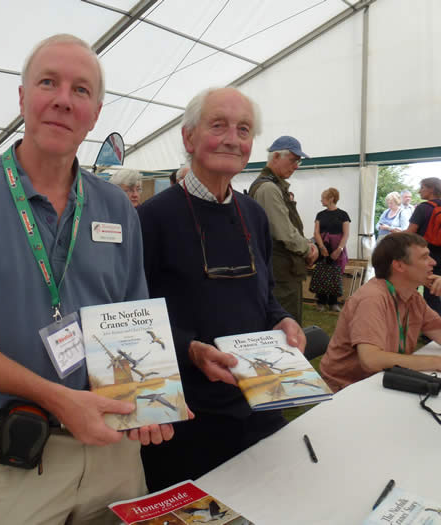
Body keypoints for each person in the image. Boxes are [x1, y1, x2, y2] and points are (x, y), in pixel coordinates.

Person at [0, 34, 174, 525]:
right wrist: (57, 399)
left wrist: (152, 401)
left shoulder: (115, 206)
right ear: (23, 96)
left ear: (95, 113)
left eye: (81, 90)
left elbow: (131, 318)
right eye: (49, 82)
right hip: (19, 456)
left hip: (114, 451)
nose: (63, 99)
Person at [137, 86, 306, 492]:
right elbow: (133, 314)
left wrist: (281, 317)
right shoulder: (151, 219)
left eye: (244, 129)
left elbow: (263, 295)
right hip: (187, 417)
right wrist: (189, 348)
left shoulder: (254, 214)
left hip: (259, 400)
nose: (232, 138)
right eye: (219, 126)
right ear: (188, 137)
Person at [319, 232, 441, 392]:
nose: (433, 262)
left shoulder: (413, 298)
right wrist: (437, 362)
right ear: (399, 266)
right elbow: (371, 359)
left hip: (382, 381)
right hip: (346, 389)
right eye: (424, 257)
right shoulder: (372, 298)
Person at [248, 135, 318, 325]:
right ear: (276, 156)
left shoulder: (273, 186)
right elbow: (284, 233)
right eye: (294, 160)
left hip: (283, 272)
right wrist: (309, 248)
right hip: (280, 275)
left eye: (298, 161)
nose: (296, 166)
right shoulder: (268, 188)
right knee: (284, 329)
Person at [406, 177, 441, 315]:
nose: (419, 191)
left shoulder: (423, 208)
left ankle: (410, 324)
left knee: (410, 291)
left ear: (431, 189)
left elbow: (409, 233)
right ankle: (431, 333)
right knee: (434, 294)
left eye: (422, 187)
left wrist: (395, 235)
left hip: (421, 258)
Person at [311, 187, 351, 312]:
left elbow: (346, 234)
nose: (321, 200)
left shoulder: (343, 215)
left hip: (337, 246)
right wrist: (322, 247)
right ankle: (321, 302)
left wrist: (339, 249)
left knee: (335, 274)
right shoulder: (320, 214)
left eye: (323, 198)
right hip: (323, 245)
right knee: (321, 273)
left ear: (331, 199)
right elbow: (316, 232)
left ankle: (334, 303)